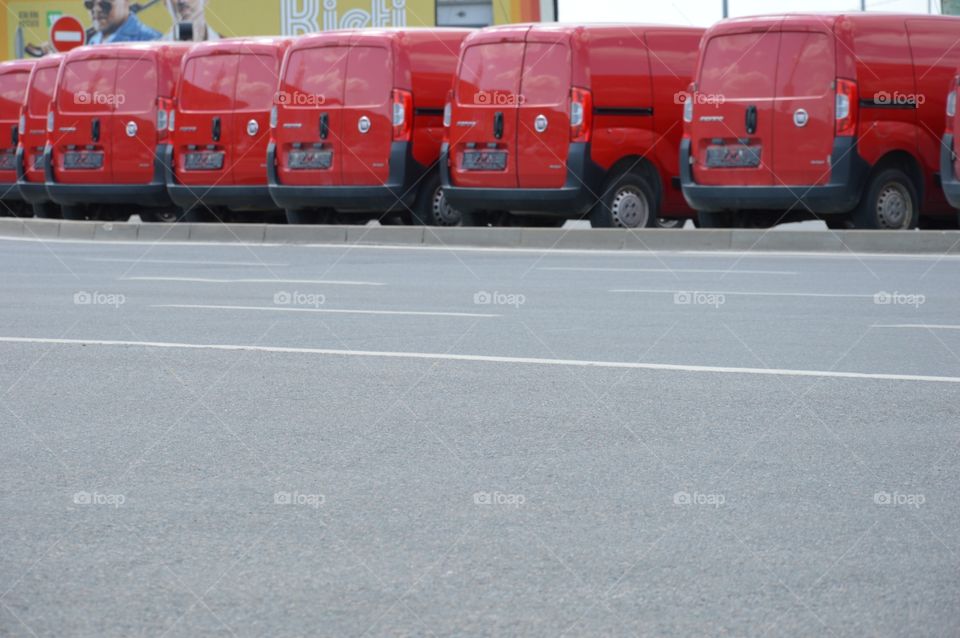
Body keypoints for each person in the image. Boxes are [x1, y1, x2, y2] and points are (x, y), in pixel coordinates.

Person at [87, 0, 162, 44]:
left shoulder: (152, 41)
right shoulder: (93, 41)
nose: (96, 9)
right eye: (89, 4)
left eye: (105, 3)